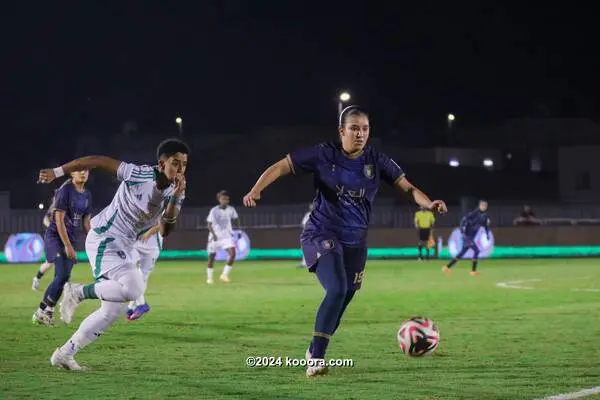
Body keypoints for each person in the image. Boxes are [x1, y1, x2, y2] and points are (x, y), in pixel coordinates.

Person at [243, 105, 447, 377]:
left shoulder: (377, 161)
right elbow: (282, 166)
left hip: (356, 242)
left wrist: (428, 203)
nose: (360, 133)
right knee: (337, 289)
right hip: (321, 234)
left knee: (345, 296)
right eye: (354, 128)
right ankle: (316, 358)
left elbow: (407, 187)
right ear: (341, 131)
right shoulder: (323, 154)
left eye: (365, 128)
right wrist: (257, 189)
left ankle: (313, 348)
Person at [37, 138, 188, 371]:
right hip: (104, 238)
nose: (180, 169)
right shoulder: (138, 174)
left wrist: (176, 199)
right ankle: (77, 291)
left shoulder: (175, 192)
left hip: (124, 247)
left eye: (184, 165)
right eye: (176, 163)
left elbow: (166, 229)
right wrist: (58, 172)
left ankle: (64, 354)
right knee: (135, 289)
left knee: (111, 311)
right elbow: (97, 160)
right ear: (161, 163)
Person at [32, 172, 92, 326]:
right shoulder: (65, 191)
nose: (83, 172)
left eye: (86, 170)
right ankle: (47, 311)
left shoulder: (87, 195)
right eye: (79, 170)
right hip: (55, 238)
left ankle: (41, 311)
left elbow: (86, 222)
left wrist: (95, 238)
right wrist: (67, 246)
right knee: (62, 275)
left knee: (63, 277)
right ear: (72, 173)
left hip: (70, 240)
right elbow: (58, 221)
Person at [443, 199, 490, 276]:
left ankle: (447, 267)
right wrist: (462, 230)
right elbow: (464, 220)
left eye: (485, 206)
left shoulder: (485, 216)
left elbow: (486, 226)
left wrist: (487, 234)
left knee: (461, 253)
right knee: (477, 251)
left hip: (471, 237)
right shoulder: (474, 213)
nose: (484, 207)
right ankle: (473, 271)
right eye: (482, 205)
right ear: (479, 206)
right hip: (467, 237)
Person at [126, 223, 163, 321]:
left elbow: (161, 224)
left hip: (153, 246)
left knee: (143, 277)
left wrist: (148, 233)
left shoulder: (161, 208)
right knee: (128, 271)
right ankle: (142, 304)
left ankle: (132, 305)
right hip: (135, 243)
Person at [206, 190, 240, 284]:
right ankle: (209, 278)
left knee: (233, 254)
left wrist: (238, 230)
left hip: (226, 237)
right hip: (215, 238)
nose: (226, 201)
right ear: (219, 199)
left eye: (227, 199)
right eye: (223, 199)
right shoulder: (214, 210)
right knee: (211, 258)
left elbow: (236, 219)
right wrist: (214, 235)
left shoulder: (231, 209)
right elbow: (209, 224)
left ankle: (224, 275)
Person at [32, 190, 58, 291]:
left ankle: (60, 289)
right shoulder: (55, 206)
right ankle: (37, 278)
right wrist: (52, 228)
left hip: (61, 239)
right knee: (51, 263)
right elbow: (45, 219)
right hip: (53, 239)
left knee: (59, 264)